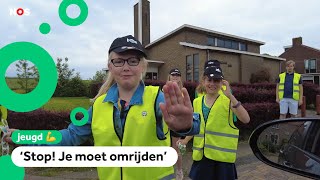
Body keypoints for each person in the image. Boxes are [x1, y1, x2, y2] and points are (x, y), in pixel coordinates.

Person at [5, 35, 200, 180]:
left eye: (133, 60)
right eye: (119, 60)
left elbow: (190, 123)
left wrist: (185, 126)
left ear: (143, 66)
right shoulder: (99, 105)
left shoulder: (157, 98)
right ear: (110, 65)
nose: (126, 66)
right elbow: (68, 137)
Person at [178, 66, 250, 180]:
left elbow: (246, 119)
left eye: (216, 81)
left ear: (222, 83)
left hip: (222, 160)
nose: (212, 84)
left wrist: (230, 96)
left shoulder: (228, 101)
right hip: (202, 157)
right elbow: (196, 126)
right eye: (209, 80)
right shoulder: (197, 102)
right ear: (203, 81)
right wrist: (185, 140)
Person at [167, 68, 185, 180]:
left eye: (178, 75)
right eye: (173, 75)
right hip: (165, 123)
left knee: (176, 148)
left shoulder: (182, 92)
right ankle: (168, 170)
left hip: (177, 124)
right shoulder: (164, 90)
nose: (175, 77)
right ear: (169, 76)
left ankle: (179, 170)